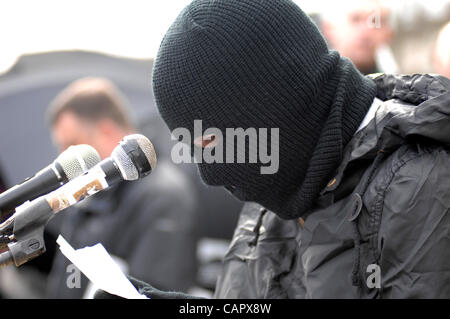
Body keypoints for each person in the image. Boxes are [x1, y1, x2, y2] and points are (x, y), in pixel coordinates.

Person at [97, 0, 450, 299]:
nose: (211, 173)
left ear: (272, 106)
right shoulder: (284, 182)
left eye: (211, 142)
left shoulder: (426, 186)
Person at [45, 77, 198, 298]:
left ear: (107, 131)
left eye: (71, 145)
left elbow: (154, 289)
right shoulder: (90, 195)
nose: (64, 158)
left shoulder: (163, 196)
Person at [320, 0, 395, 75]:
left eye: (375, 22)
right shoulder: (314, 81)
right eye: (356, 19)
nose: (367, 31)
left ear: (389, 34)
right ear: (329, 28)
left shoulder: (395, 84)